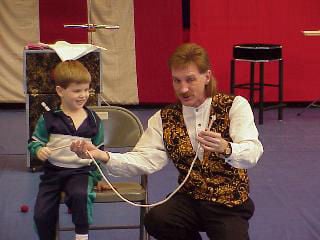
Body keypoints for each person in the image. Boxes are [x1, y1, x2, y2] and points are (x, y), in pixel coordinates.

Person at [70, 43, 264, 240]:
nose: (183, 88)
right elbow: (145, 159)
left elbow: (252, 152)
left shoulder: (234, 106)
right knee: (157, 219)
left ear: (207, 76)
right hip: (190, 199)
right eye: (177, 81)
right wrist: (102, 155)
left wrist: (227, 148)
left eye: (190, 80)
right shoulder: (164, 118)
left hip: (228, 204)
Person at [28, 60, 109, 240]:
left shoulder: (94, 121)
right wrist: (39, 150)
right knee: (41, 214)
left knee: (81, 195)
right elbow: (34, 142)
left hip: (81, 172)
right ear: (60, 91)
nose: (83, 95)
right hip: (53, 173)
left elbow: (100, 152)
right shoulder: (48, 119)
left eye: (86, 90)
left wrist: (99, 177)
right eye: (77, 91)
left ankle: (81, 236)